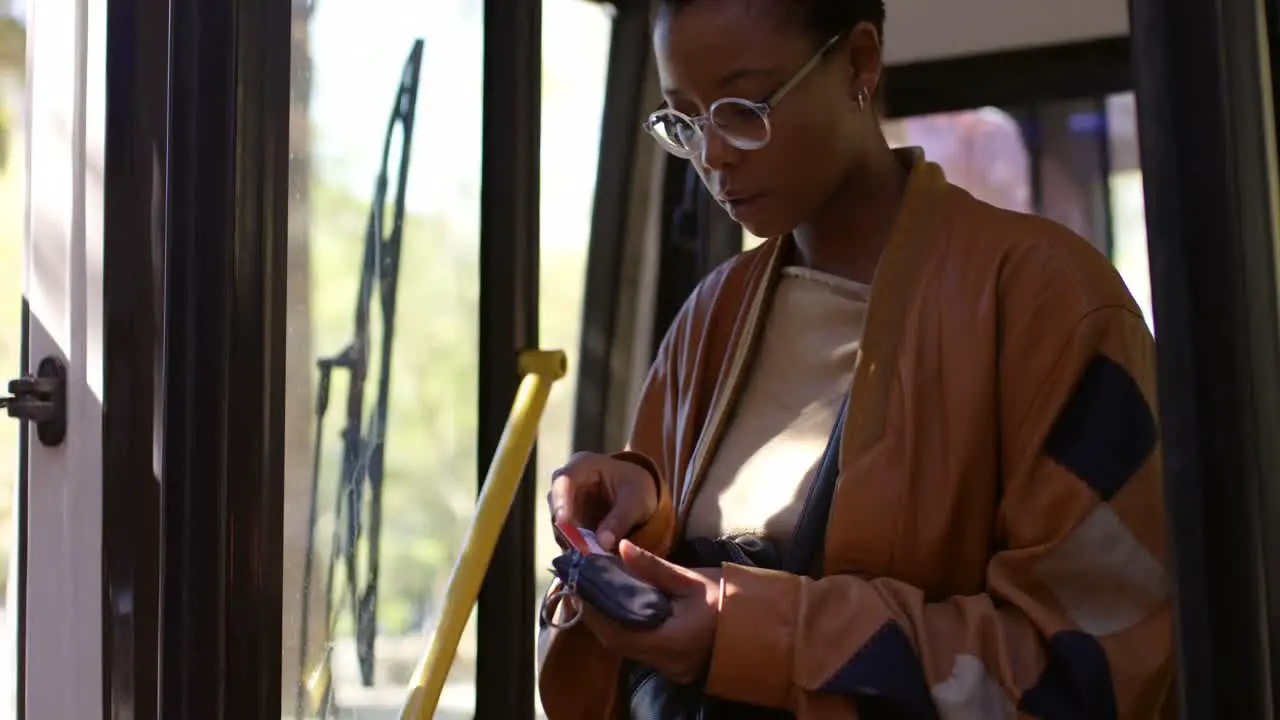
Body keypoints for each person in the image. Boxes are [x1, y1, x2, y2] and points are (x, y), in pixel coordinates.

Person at [537, 0, 1173, 717]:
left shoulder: (1048, 302)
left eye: (746, 107)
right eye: (684, 120)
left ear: (859, 63)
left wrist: (749, 634)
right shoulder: (708, 319)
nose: (712, 155)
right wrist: (635, 514)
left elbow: (1088, 667)